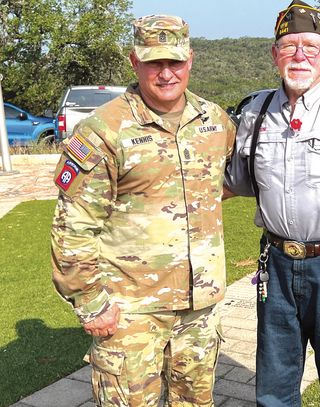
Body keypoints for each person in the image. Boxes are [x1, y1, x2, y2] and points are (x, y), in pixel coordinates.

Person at [51, 15, 236, 406]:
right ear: (135, 62)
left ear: (191, 59)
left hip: (198, 310)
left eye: (175, 61)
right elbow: (73, 227)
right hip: (130, 311)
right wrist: (91, 303)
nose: (166, 73)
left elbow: (216, 185)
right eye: (155, 63)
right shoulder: (103, 130)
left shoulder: (215, 121)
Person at [225, 1, 320, 405]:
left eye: (311, 46)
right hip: (275, 263)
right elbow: (234, 182)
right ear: (274, 54)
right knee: (274, 386)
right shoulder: (254, 112)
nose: (299, 55)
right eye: (289, 45)